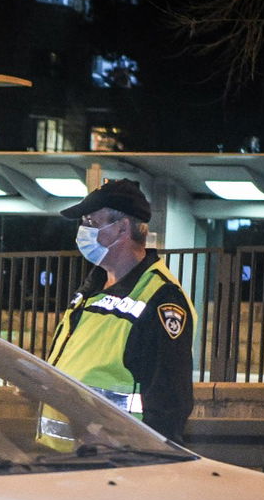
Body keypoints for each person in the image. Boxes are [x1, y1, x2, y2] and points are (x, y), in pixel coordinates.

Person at [47, 178, 195, 441]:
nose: (83, 231)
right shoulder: (91, 288)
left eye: (91, 222)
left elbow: (169, 403)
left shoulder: (161, 298)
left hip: (114, 461)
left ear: (122, 228)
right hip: (65, 459)